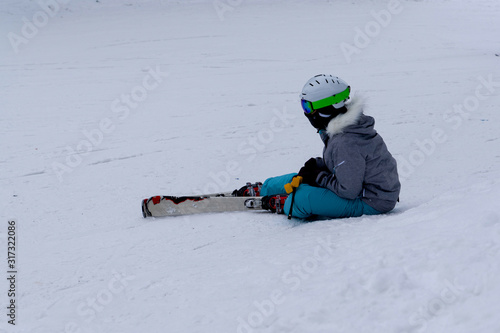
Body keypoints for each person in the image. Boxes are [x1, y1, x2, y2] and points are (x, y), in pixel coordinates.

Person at [257, 74, 401, 219]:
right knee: (298, 178)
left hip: (372, 202)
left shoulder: (346, 142)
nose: (305, 112)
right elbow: (350, 166)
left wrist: (319, 176)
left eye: (307, 106)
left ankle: (287, 202)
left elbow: (348, 191)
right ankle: (265, 188)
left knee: (302, 198)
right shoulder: (344, 129)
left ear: (324, 110)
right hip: (360, 188)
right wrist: (317, 166)